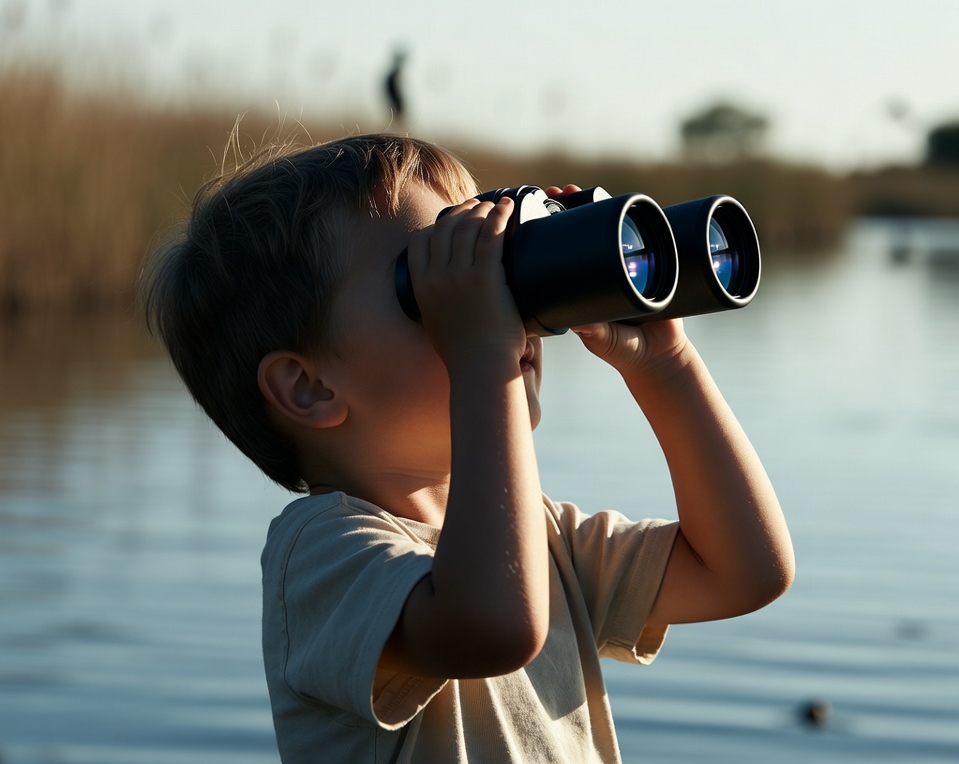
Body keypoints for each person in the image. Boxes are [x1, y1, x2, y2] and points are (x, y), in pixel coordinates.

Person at [140, 132, 794, 763]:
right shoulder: (319, 553)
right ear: (309, 387)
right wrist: (484, 356)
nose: (500, 308)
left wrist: (666, 365)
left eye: (495, 267)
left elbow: (745, 572)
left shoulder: (542, 540)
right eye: (437, 283)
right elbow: (494, 627)